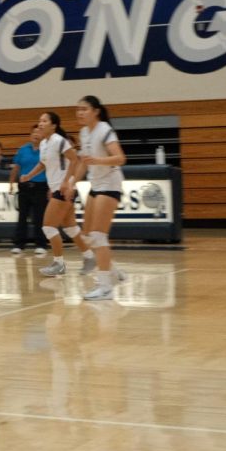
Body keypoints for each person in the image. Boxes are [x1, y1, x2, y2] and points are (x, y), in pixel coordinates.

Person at [20, 112, 95, 277]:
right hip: (56, 189)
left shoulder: (59, 141)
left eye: (44, 121)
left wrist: (66, 182)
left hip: (64, 189)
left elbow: (75, 160)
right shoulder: (44, 143)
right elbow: (42, 164)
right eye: (39, 120)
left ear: (53, 125)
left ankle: (59, 263)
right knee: (71, 228)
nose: (40, 123)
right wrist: (28, 176)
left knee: (48, 226)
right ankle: (90, 257)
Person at [71, 95, 129, 300]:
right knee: (87, 236)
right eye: (77, 109)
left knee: (98, 235)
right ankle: (113, 271)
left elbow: (121, 158)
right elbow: (83, 163)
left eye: (84, 109)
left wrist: (98, 159)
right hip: (96, 185)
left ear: (96, 111)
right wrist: (71, 183)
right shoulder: (84, 132)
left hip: (110, 184)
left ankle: (105, 288)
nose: (80, 112)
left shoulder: (105, 130)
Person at [8, 126, 49, 256]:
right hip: (24, 187)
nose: (36, 134)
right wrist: (11, 183)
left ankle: (41, 244)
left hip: (41, 187)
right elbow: (16, 167)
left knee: (39, 217)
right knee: (22, 216)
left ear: (43, 135)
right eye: (33, 132)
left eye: (39, 132)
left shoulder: (46, 150)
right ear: (30, 135)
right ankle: (19, 244)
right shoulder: (23, 150)